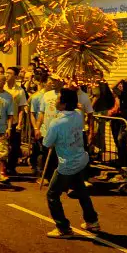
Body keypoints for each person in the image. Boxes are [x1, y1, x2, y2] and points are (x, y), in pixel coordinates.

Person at [43, 89, 100, 238]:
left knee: (52, 195)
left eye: (58, 99)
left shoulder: (56, 123)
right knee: (81, 191)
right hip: (80, 158)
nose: (55, 101)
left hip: (67, 164)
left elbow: (47, 142)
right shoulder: (77, 115)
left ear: (64, 103)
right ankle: (92, 220)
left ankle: (63, 228)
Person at [4, 67, 28, 176]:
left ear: (16, 76)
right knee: (2, 145)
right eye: (6, 72)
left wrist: (19, 123)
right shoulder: (1, 88)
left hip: (13, 122)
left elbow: (21, 109)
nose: (6, 75)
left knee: (14, 145)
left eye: (9, 73)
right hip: (1, 121)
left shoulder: (20, 91)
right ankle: (1, 167)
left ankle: (11, 167)